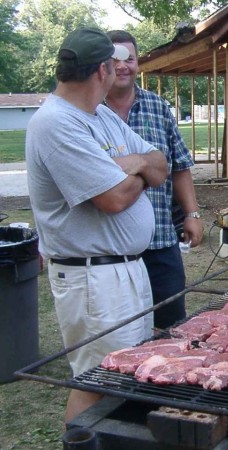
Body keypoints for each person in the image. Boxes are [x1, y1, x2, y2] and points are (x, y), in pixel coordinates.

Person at [25, 27, 168, 422]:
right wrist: (133, 171)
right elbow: (113, 199)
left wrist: (134, 164)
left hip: (125, 270)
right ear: (102, 70)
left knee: (130, 374)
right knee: (98, 384)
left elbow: (160, 164)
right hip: (94, 280)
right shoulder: (56, 123)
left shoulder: (100, 114)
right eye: (114, 63)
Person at [105, 30, 204, 330]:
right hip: (111, 247)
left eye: (130, 59)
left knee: (171, 322)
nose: (123, 66)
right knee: (122, 330)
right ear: (102, 65)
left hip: (161, 239)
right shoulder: (90, 112)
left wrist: (192, 214)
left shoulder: (158, 107)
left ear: (138, 64)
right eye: (115, 60)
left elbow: (180, 166)